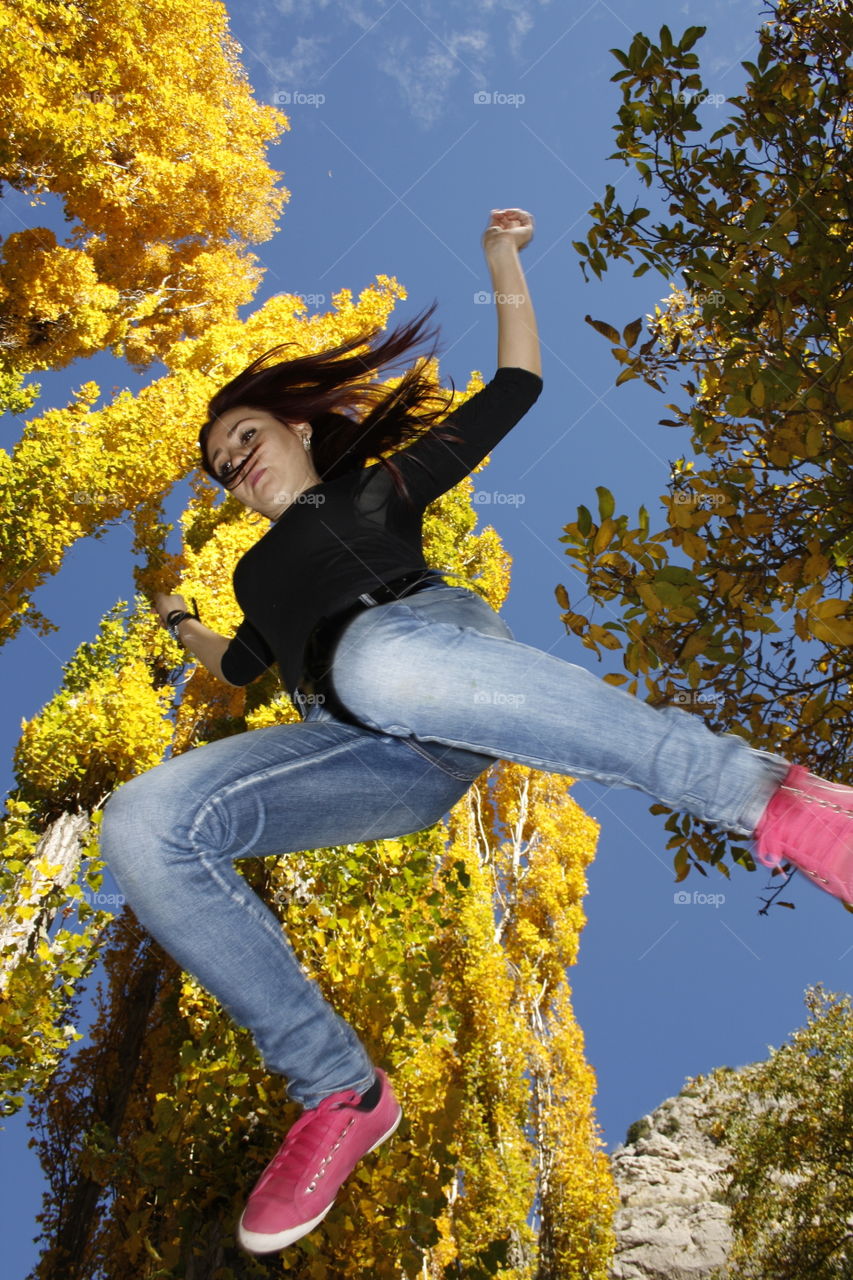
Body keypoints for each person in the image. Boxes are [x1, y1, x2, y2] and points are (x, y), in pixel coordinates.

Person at [99, 208, 853, 1256]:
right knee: (140, 823)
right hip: (366, 756)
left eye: (247, 439)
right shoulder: (254, 575)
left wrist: (500, 262)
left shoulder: (375, 489)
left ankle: (775, 797)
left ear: (298, 430)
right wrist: (180, 618)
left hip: (430, 660)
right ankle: (340, 1091)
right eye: (223, 465)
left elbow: (516, 386)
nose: (237, 465)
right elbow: (237, 667)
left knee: (378, 661)